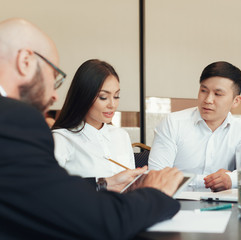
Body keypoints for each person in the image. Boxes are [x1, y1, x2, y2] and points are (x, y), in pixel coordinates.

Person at [0, 18, 183, 239]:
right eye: (54, 78)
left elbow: (40, 192)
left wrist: (105, 184)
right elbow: (94, 218)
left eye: (116, 96)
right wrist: (156, 193)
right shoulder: (16, 121)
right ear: (25, 61)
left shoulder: (119, 135)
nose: (54, 95)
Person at [148, 61, 241, 192]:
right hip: (178, 204)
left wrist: (230, 180)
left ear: (236, 101)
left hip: (224, 206)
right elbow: (156, 177)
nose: (208, 99)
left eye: (218, 94)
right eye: (203, 91)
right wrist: (228, 179)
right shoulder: (173, 123)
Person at [52, 59, 135, 178]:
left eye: (116, 96)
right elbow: (49, 189)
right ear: (84, 96)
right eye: (103, 97)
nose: (112, 104)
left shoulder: (121, 136)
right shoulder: (62, 139)